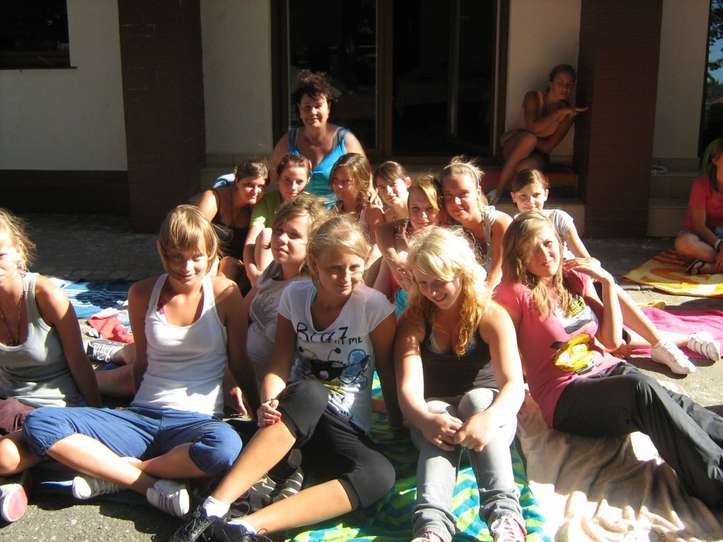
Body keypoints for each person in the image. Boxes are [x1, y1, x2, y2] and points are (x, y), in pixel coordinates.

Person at [172, 214, 402, 542]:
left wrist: (398, 425)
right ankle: (211, 509)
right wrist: (268, 401)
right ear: (314, 265)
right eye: (335, 268)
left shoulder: (374, 307)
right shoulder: (295, 296)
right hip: (297, 409)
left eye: (355, 268)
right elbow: (279, 361)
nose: (346, 278)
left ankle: (244, 528)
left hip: (344, 422)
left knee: (380, 474)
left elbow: (387, 372)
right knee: (311, 392)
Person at [19, 205, 261, 518]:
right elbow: (142, 364)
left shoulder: (225, 293)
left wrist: (257, 414)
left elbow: (239, 360)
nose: (187, 267)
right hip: (141, 418)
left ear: (210, 254)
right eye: (177, 257)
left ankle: (118, 474)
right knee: (40, 423)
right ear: (162, 251)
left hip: (195, 423)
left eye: (196, 257)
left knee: (224, 447)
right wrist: (113, 411)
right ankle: (146, 484)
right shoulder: (142, 293)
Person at [495, 211, 723, 508]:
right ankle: (714, 480)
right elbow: (500, 345)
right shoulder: (514, 294)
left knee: (672, 400)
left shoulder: (574, 278)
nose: (544, 254)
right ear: (519, 255)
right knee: (640, 390)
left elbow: (612, 341)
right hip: (565, 395)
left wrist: (606, 282)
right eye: (532, 247)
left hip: (609, 370)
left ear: (559, 244)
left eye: (548, 243)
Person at [510, 169, 720, 372]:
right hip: (547, 291)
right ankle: (685, 339)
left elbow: (587, 259)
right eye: (523, 197)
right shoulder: (514, 228)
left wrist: (592, 274)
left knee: (609, 292)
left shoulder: (557, 218)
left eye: (536, 195)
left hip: (576, 281)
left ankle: (662, 343)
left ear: (546, 194)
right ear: (514, 198)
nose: (531, 202)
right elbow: (514, 269)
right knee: (615, 339)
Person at [395, 226, 526, 542]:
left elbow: (513, 384)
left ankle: (506, 516)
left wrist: (489, 418)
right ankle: (431, 527)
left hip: (488, 420)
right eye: (423, 283)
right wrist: (425, 420)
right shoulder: (415, 320)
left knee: (477, 400)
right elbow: (408, 389)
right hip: (439, 421)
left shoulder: (490, 315)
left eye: (439, 281)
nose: (432, 292)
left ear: (460, 271)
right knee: (435, 409)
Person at [0, 209, 101, 523]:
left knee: (4, 456)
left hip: (52, 409)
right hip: (9, 405)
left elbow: (79, 361)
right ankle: (28, 478)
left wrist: (96, 416)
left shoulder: (45, 295)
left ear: (19, 253)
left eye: (0, 255)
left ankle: (23, 474)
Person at [242, 194, 329, 386]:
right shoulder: (274, 269)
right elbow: (240, 313)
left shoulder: (311, 290)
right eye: (278, 230)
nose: (281, 239)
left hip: (278, 385)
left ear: (313, 242)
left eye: (293, 235)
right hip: (244, 372)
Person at [492, 64, 587, 203]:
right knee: (528, 139)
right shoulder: (533, 97)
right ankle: (498, 191)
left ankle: (520, 200)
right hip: (515, 143)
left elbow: (548, 147)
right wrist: (558, 113)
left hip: (537, 154)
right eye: (560, 83)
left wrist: (563, 113)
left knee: (525, 165)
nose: (564, 88)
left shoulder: (568, 113)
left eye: (569, 85)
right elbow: (533, 128)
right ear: (551, 83)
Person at [270, 70, 366, 201]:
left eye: (318, 106)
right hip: (298, 211)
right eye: (307, 107)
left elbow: (366, 180)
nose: (313, 112)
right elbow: (272, 182)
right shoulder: (288, 141)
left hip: (337, 212)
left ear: (329, 107)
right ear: (299, 110)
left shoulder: (345, 140)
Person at [374, 174, 446, 314]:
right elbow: (378, 297)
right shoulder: (399, 235)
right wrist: (394, 262)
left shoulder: (448, 240)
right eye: (415, 208)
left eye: (429, 208)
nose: (422, 216)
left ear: (440, 208)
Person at [193, 159, 269, 289]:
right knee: (212, 265)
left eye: (260, 186)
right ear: (237, 181)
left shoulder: (256, 209)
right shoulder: (214, 198)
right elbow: (194, 232)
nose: (255, 191)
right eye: (249, 185)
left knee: (229, 264)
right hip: (208, 256)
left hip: (235, 265)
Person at [440, 156, 511, 289]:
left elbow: (497, 275)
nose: (456, 202)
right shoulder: (454, 234)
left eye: (463, 194)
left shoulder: (500, 223)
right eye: (448, 195)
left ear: (478, 193)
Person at [242, 154, 312, 287]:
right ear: (278, 178)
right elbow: (251, 242)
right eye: (287, 180)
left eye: (299, 182)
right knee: (267, 234)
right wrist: (252, 272)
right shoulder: (267, 202)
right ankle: (267, 287)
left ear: (308, 181)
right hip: (269, 260)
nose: (293, 187)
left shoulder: (311, 205)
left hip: (299, 264)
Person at [675, 139, 723, 275]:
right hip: (703, 238)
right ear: (715, 160)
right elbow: (699, 226)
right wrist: (720, 246)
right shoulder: (701, 185)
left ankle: (711, 268)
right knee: (684, 243)